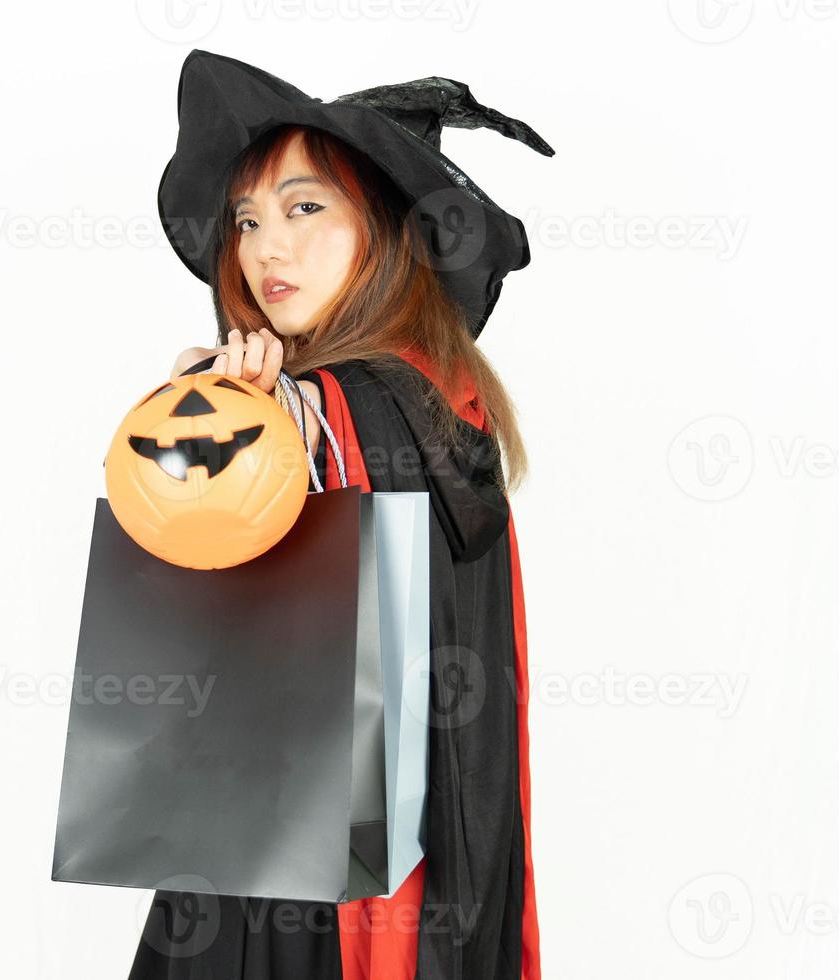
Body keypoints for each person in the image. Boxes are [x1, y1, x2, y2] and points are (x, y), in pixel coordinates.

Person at [127, 50, 554, 980]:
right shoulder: (447, 405)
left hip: (302, 901)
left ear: (390, 232)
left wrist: (225, 436)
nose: (263, 247)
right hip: (438, 869)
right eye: (246, 219)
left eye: (305, 207)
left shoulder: (334, 409)